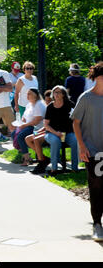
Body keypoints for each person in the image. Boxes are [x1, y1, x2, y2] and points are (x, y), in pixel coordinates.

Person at [72, 61, 103, 242]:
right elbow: (76, 122)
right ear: (96, 78)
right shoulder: (86, 98)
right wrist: (82, 146)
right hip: (92, 150)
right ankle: (97, 224)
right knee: (96, 186)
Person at [34, 85, 78, 176]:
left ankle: (74, 168)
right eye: (55, 92)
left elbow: (76, 120)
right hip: (52, 133)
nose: (56, 94)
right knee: (55, 141)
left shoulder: (70, 104)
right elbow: (46, 124)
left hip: (68, 133)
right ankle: (54, 169)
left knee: (75, 141)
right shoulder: (50, 107)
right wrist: (56, 133)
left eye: (59, 92)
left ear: (63, 94)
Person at [15, 88, 46, 166]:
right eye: (27, 94)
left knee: (20, 136)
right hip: (29, 126)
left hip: (38, 130)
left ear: (35, 95)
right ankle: (33, 155)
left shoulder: (39, 104)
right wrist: (22, 121)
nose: (27, 95)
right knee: (13, 134)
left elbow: (37, 121)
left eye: (29, 94)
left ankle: (27, 158)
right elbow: (24, 117)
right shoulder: (29, 104)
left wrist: (24, 125)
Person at [24, 90, 52, 160]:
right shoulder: (46, 108)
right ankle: (42, 157)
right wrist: (38, 132)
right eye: (46, 100)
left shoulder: (53, 109)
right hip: (41, 130)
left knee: (36, 139)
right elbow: (45, 126)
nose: (47, 102)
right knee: (28, 138)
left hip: (52, 132)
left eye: (49, 100)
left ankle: (41, 159)